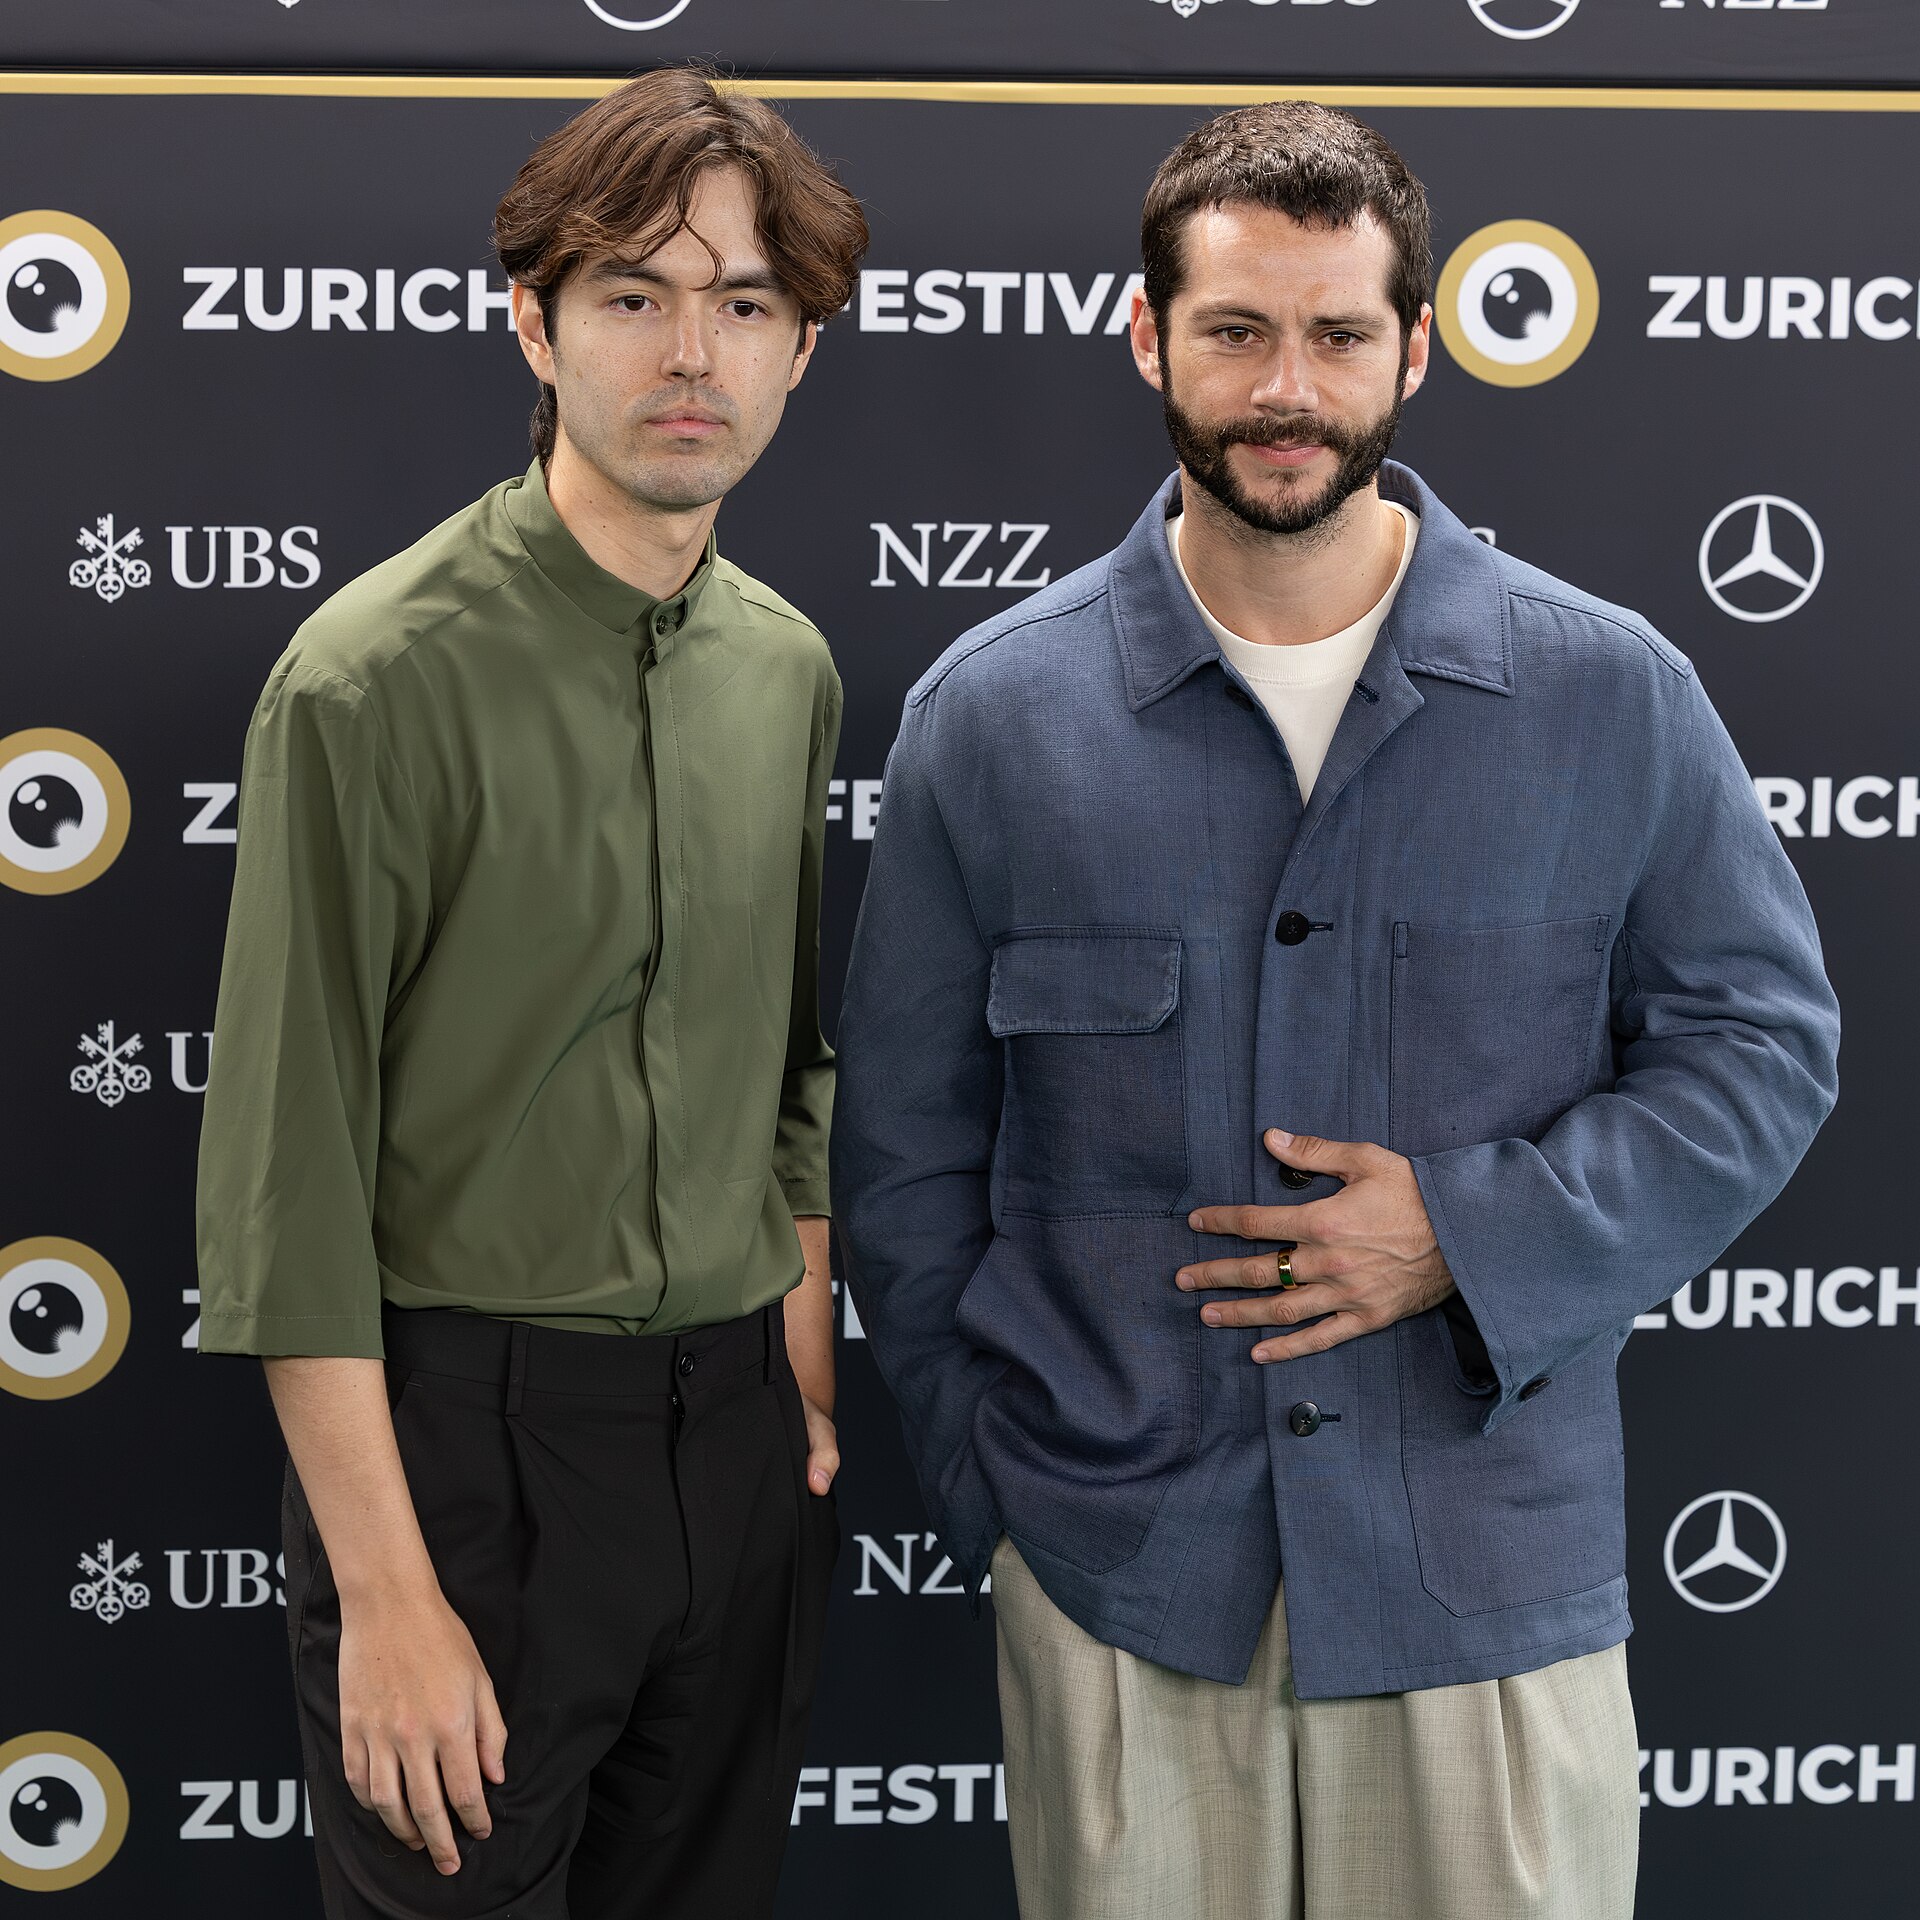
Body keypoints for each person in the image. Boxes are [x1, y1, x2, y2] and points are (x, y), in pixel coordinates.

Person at [832, 101, 1838, 1920]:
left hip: (1484, 1597)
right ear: (1148, 338)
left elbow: (1762, 1051)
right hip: (1121, 1593)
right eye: (1234, 330)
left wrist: (1464, 1235)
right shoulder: (991, 721)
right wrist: (1004, 1510)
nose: (1285, 386)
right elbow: (905, 1160)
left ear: (1415, 350)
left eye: (1337, 334)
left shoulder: (1610, 694)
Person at [195, 68, 866, 1920]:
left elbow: (790, 1057)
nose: (691, 353)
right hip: (466, 1473)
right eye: (633, 295)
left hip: (737, 1455)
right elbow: (284, 1188)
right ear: (535, 322)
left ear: (800, 349)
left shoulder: (785, 668)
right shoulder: (366, 681)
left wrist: (796, 1354)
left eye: (745, 304)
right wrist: (391, 1600)